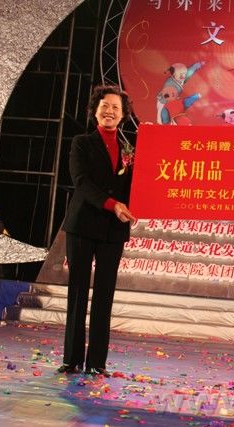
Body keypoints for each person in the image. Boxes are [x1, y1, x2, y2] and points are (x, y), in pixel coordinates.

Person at [57, 85, 138, 377]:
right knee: (78, 292)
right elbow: (81, 181)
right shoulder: (81, 142)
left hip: (113, 230)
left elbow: (137, 185)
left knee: (105, 295)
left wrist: (136, 205)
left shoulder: (129, 149)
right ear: (95, 111)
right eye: (105, 106)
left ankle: (97, 362)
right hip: (82, 225)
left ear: (123, 115)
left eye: (116, 108)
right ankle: (72, 359)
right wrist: (113, 205)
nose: (110, 112)